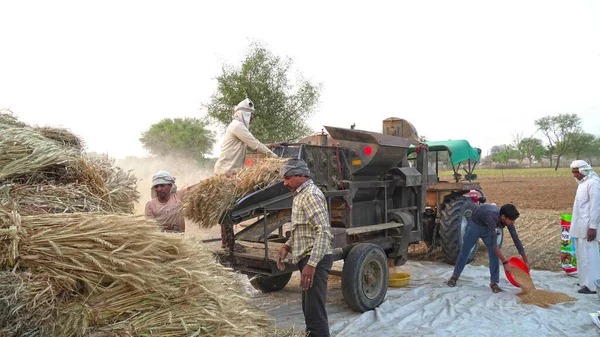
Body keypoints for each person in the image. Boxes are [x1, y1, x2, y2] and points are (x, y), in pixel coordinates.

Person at [276, 158, 333, 337]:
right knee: (309, 310)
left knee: (315, 313)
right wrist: (287, 245)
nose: (285, 183)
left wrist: (312, 264)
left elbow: (323, 232)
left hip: (315, 259)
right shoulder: (300, 194)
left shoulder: (311, 195)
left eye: (288, 178)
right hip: (308, 259)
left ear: (301, 176)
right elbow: (301, 228)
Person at [214, 97, 277, 248]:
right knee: (227, 208)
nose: (253, 117)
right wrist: (275, 157)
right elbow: (254, 144)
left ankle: (229, 242)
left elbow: (248, 147)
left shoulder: (237, 127)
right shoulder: (237, 126)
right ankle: (228, 243)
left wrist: (271, 145)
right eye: (250, 114)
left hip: (230, 171)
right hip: (226, 171)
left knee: (230, 206)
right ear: (243, 114)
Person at [446, 203, 529, 293]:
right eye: (512, 220)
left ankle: (494, 283)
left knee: (494, 255)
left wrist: (525, 260)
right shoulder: (492, 217)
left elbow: (515, 239)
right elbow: (494, 245)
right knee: (465, 251)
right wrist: (505, 263)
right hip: (475, 225)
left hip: (488, 227)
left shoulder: (507, 219)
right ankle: (454, 277)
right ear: (503, 217)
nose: (513, 222)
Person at [569, 160, 600, 294]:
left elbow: (595, 207)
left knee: (590, 256)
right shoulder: (582, 183)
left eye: (577, 172)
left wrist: (593, 226)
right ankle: (584, 281)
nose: (575, 175)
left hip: (588, 227)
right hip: (580, 225)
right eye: (573, 172)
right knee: (581, 255)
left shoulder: (593, 183)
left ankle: (593, 285)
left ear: (584, 170)